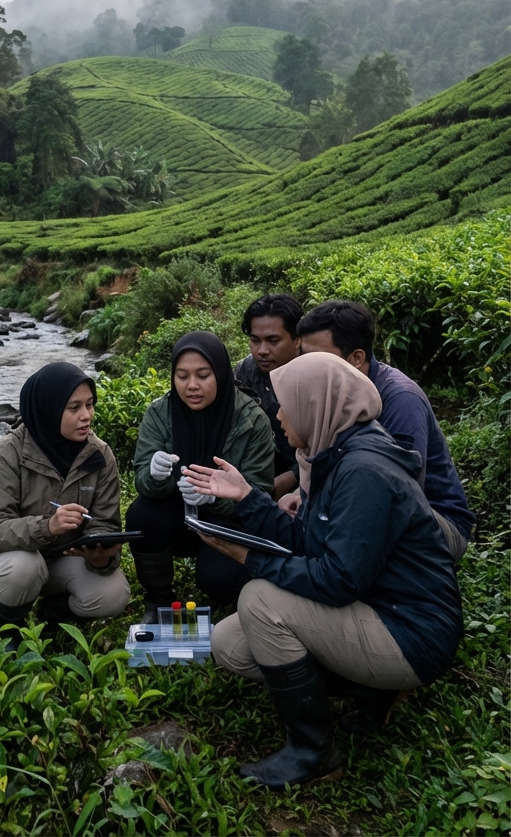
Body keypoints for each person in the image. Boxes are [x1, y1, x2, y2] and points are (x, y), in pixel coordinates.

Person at [185, 353, 462, 790]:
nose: (279, 413)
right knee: (229, 644)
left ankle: (313, 751)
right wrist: (245, 497)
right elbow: (308, 541)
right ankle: (366, 688)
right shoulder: (331, 453)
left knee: (260, 600)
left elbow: (336, 580)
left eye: (287, 403)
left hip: (410, 631)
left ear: (317, 403)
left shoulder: (363, 471)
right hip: (374, 605)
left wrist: (248, 558)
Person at [295, 299, 474, 560]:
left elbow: (398, 493)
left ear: (357, 358)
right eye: (304, 358)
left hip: (435, 521)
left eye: (319, 359)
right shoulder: (335, 394)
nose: (308, 368)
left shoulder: (401, 399)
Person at [0, 362, 130, 645]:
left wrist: (100, 553)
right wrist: (47, 526)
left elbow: (104, 522)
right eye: (74, 408)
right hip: (0, 558)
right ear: (48, 409)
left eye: (89, 405)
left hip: (62, 559)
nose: (86, 416)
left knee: (114, 593)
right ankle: (7, 638)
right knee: (24, 565)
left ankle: (53, 615)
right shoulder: (8, 453)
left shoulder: (99, 455)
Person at [127, 331, 275, 618]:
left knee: (219, 580)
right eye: (182, 376)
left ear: (220, 372)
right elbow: (142, 480)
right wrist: (155, 476)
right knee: (141, 514)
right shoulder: (160, 413)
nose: (191, 386)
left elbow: (260, 492)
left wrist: (213, 497)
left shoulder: (250, 419)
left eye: (203, 375)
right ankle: (157, 598)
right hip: (175, 512)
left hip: (228, 520)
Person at [234, 294, 304, 497]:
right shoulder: (246, 370)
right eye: (255, 341)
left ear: (297, 339)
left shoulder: (314, 376)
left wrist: (293, 476)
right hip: (262, 465)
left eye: (273, 341)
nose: (262, 350)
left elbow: (332, 445)